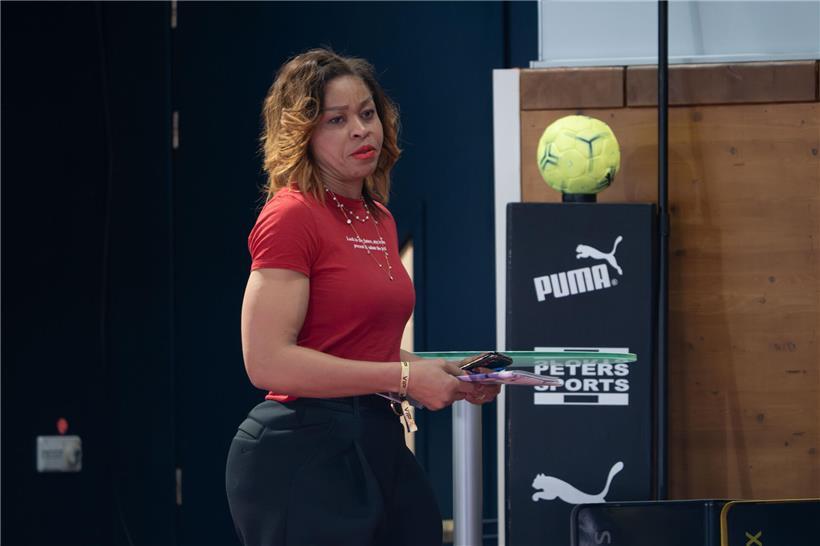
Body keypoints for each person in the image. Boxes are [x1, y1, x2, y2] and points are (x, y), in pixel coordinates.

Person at [224, 48, 500, 546]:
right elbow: (266, 362)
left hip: (374, 435)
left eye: (367, 113)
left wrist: (446, 374)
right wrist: (404, 378)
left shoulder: (378, 217)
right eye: (337, 119)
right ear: (301, 133)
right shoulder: (291, 215)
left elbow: (350, 341)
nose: (360, 129)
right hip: (302, 448)